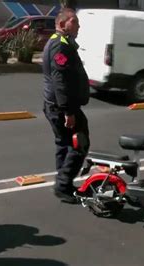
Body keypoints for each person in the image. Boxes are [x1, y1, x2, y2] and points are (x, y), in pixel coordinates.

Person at [43, 8, 90, 204]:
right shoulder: (59, 46)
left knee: (64, 143)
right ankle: (63, 184)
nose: (78, 26)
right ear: (63, 24)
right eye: (75, 22)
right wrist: (68, 111)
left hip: (57, 106)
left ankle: (64, 184)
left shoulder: (61, 42)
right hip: (62, 107)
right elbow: (59, 80)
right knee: (80, 143)